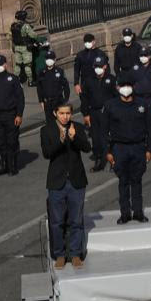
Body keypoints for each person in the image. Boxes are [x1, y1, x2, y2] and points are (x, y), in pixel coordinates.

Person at [41, 103, 91, 269]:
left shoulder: (77, 127)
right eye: (62, 113)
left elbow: (87, 147)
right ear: (55, 113)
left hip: (76, 181)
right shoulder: (46, 130)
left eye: (68, 113)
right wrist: (61, 140)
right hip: (57, 181)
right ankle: (60, 254)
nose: (65, 116)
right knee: (57, 221)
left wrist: (74, 138)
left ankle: (75, 253)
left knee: (76, 220)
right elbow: (47, 153)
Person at [102, 80, 151, 224]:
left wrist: (149, 148)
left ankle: (138, 212)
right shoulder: (110, 105)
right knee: (123, 181)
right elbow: (104, 130)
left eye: (128, 86)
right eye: (123, 86)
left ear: (133, 87)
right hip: (119, 148)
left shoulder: (142, 104)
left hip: (138, 147)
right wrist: (107, 151)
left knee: (137, 180)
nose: (126, 89)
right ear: (118, 87)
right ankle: (124, 214)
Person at [79, 56, 115, 171]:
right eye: (96, 66)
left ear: (105, 66)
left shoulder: (111, 79)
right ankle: (99, 160)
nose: (98, 68)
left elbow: (116, 97)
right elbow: (84, 98)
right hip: (94, 112)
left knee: (110, 137)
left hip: (108, 112)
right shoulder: (88, 80)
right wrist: (86, 114)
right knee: (96, 138)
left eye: (100, 66)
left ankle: (113, 160)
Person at [10, 10, 42, 85]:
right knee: (27, 65)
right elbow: (33, 35)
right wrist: (38, 38)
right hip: (25, 48)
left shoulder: (13, 25)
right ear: (23, 17)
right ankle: (30, 81)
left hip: (17, 47)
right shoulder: (25, 26)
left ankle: (15, 81)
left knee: (17, 65)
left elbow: (10, 36)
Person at [36, 50, 71, 120]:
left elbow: (66, 86)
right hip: (47, 102)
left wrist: (65, 100)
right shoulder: (41, 72)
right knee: (50, 123)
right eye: (47, 58)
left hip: (58, 101)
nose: (49, 60)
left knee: (60, 121)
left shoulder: (59, 71)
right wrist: (41, 100)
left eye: (51, 58)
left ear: (55, 60)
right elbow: (39, 87)